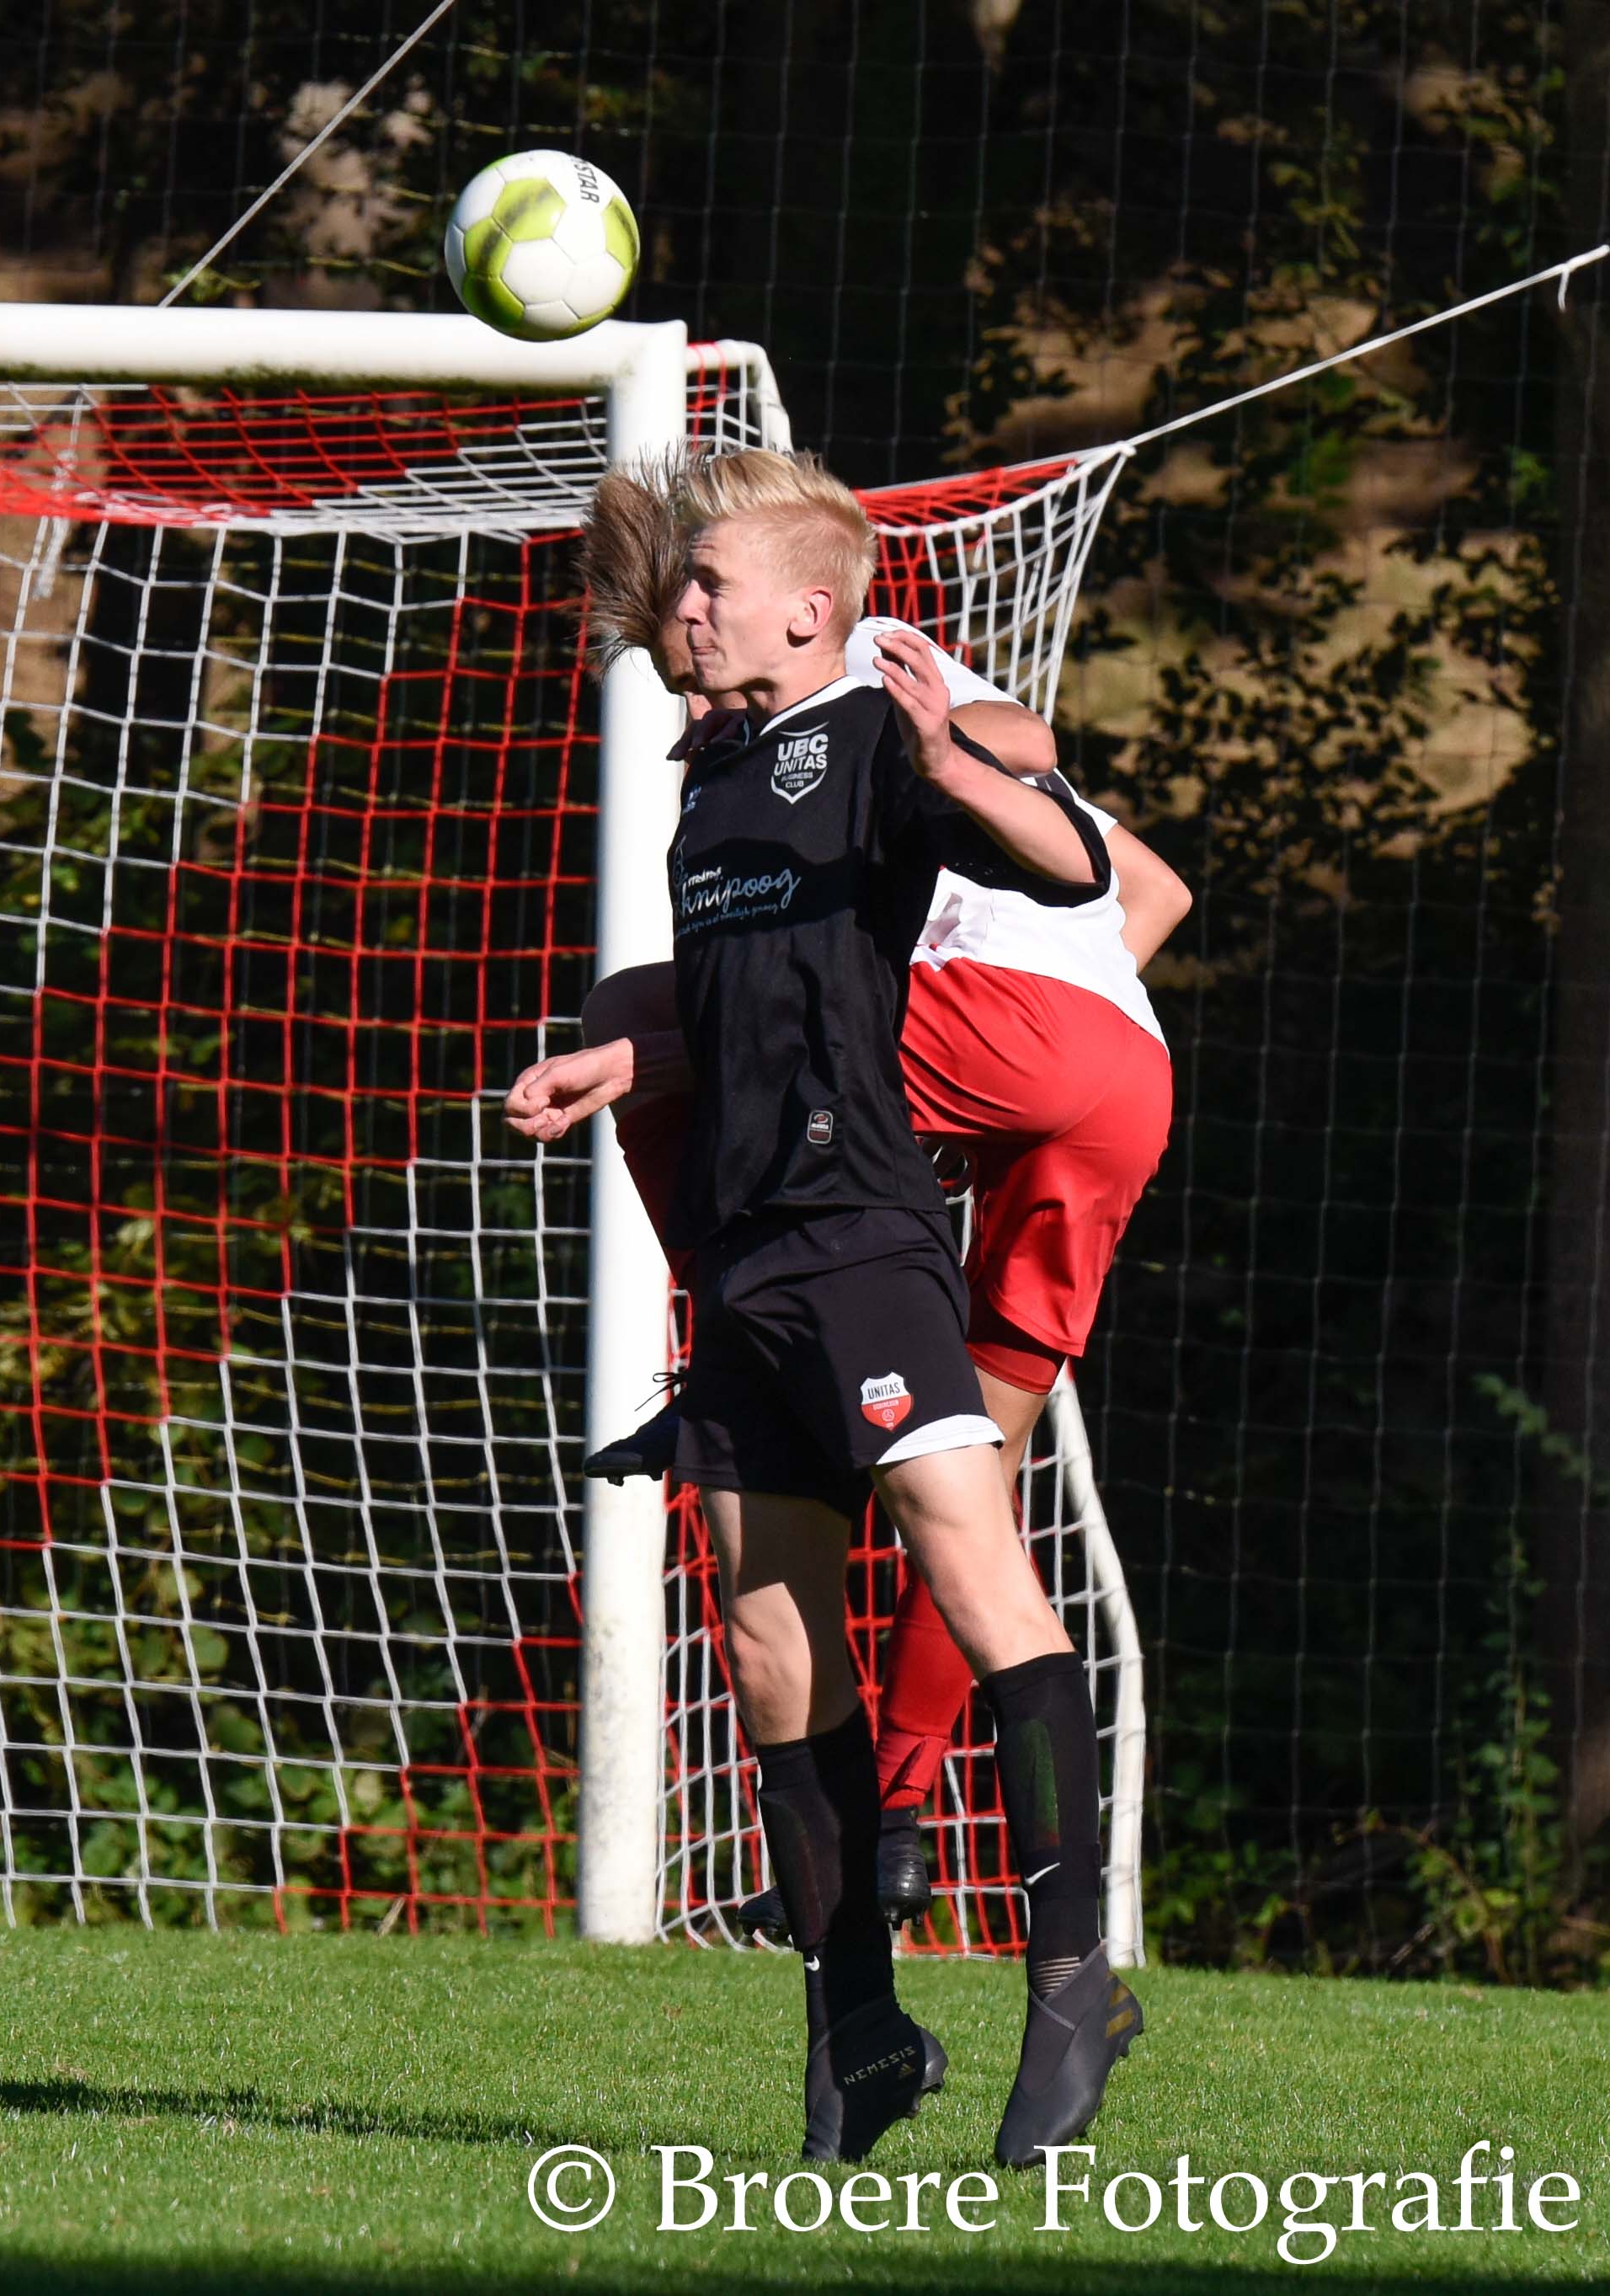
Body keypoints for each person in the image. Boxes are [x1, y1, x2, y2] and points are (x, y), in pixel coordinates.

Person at [505, 451, 1141, 2168]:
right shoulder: (714, 778)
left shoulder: (874, 738)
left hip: (860, 1236)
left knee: (967, 1558)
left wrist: (955, 758)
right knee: (767, 1633)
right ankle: (857, 2021)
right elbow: (750, 1014)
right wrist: (619, 1062)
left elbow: (1078, 865)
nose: (685, 605)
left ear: (811, 610)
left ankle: (1072, 1975)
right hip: (746, 1259)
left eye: (712, 582)